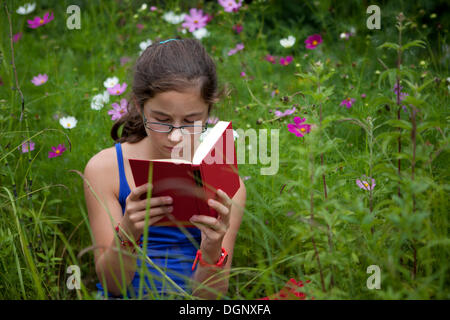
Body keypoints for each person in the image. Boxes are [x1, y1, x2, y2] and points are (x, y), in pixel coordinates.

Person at [83, 38, 247, 299]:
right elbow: (113, 285)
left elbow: (209, 298)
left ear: (208, 113)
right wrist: (127, 232)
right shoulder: (105, 170)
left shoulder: (226, 181)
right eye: (162, 120)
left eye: (191, 121)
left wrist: (212, 249)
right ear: (139, 106)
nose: (176, 137)